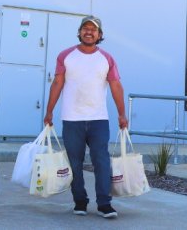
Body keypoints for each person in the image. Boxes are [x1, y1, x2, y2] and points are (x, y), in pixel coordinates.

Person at [44, 15, 127, 219]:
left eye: (93, 29)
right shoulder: (66, 55)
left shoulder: (107, 58)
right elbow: (57, 83)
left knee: (102, 161)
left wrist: (122, 114)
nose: (89, 32)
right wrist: (49, 111)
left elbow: (116, 85)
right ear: (80, 32)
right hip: (72, 119)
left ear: (99, 35)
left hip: (99, 119)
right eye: (85, 28)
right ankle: (80, 201)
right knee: (75, 163)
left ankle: (104, 204)